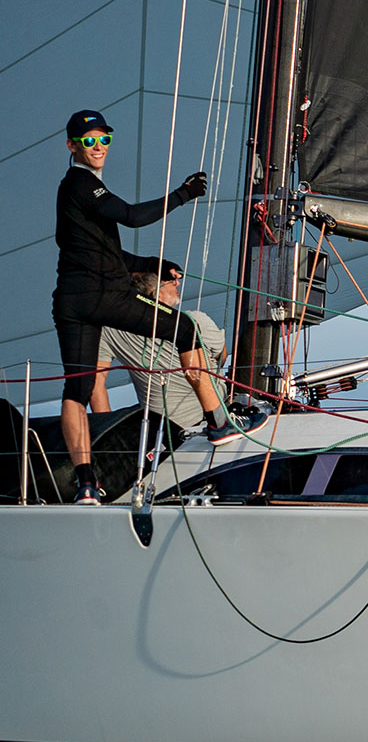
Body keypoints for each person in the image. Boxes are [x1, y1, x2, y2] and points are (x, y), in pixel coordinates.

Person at [52, 109, 247, 505]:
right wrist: (183, 194)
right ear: (72, 146)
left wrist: (151, 265)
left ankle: (87, 485)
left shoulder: (73, 192)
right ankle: (219, 423)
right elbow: (131, 216)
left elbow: (104, 252)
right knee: (185, 329)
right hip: (105, 296)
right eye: (88, 141)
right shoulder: (81, 183)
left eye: (104, 139)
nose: (98, 146)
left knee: (78, 388)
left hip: (71, 301)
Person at [91, 262, 229, 446]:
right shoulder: (194, 320)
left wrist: (107, 438)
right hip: (214, 417)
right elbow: (222, 356)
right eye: (170, 281)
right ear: (155, 294)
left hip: (162, 433)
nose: (177, 283)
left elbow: (95, 385)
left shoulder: (110, 332)